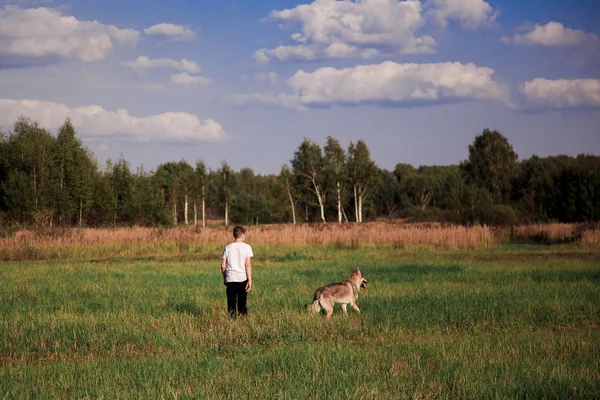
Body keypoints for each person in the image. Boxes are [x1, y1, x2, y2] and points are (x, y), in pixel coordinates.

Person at [221, 225, 253, 318]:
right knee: (242, 303)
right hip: (242, 278)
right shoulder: (247, 247)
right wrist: (249, 280)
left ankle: (232, 321)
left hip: (230, 279)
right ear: (242, 235)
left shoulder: (227, 247)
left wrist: (225, 278)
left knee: (231, 304)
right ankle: (243, 320)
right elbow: (248, 264)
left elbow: (223, 265)